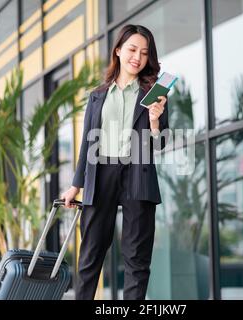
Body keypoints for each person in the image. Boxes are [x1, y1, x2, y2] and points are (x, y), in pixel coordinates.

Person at [60, 24, 169, 300]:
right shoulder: (97, 96)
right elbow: (87, 143)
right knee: (90, 255)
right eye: (132, 49)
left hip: (138, 171)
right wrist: (75, 185)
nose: (138, 57)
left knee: (136, 258)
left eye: (144, 53)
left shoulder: (154, 92)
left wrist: (155, 121)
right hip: (101, 173)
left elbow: (161, 145)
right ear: (118, 51)